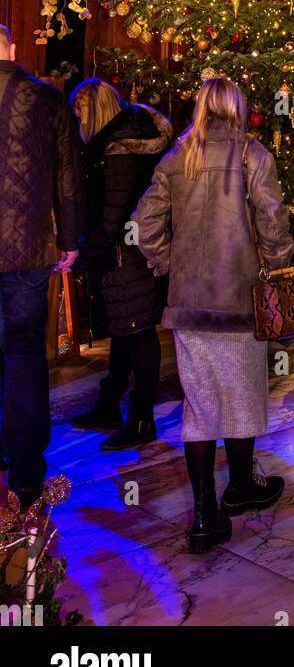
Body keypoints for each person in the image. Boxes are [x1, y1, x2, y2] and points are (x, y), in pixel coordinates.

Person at [135, 77, 294, 554]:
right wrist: (280, 264)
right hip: (240, 301)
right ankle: (241, 487)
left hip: (189, 305)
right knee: (244, 396)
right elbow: (273, 219)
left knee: (199, 408)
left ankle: (205, 515)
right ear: (237, 108)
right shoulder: (253, 154)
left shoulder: (176, 158)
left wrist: (169, 263)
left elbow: (145, 226)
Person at [0, 25, 84, 509]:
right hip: (28, 248)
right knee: (25, 354)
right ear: (14, 50)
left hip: (25, 251)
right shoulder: (45, 100)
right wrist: (70, 240)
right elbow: (69, 175)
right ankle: (27, 472)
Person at [68, 79, 173, 449]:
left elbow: (114, 216)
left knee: (138, 332)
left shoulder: (116, 154)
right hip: (131, 252)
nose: (75, 120)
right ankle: (111, 404)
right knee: (127, 329)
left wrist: (85, 254)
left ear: (93, 112)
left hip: (126, 254)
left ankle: (141, 420)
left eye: (79, 111)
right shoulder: (123, 147)